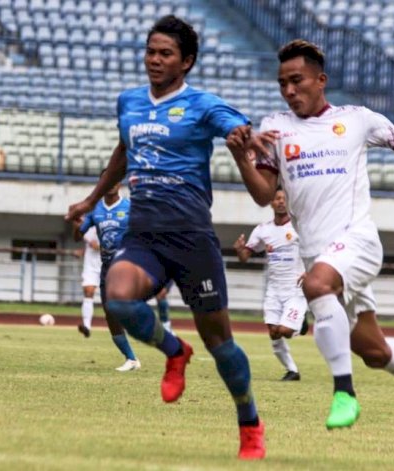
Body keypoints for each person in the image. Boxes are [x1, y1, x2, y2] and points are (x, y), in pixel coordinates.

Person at [226, 39, 394, 430]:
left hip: (357, 242)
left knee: (317, 284)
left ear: (320, 80)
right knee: (375, 352)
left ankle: (344, 392)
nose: (289, 91)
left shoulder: (358, 119)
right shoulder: (275, 128)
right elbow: (262, 194)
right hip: (319, 254)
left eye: (297, 81)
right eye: (282, 84)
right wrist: (242, 157)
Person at [66, 15, 272, 460]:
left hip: (193, 238)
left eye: (165, 54)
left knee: (222, 345)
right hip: (145, 235)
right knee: (117, 299)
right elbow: (123, 153)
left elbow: (235, 127)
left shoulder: (201, 104)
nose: (154, 60)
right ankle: (174, 350)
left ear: (187, 61)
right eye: (150, 51)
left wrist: (245, 138)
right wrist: (90, 201)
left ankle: (250, 422)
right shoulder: (129, 103)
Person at [233, 188, 308, 381]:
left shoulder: (300, 227)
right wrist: (240, 250)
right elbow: (245, 256)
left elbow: (318, 248)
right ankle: (292, 370)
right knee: (274, 333)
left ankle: (301, 322)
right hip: (274, 289)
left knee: (286, 331)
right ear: (271, 203)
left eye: (284, 198)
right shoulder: (262, 230)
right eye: (277, 199)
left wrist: (310, 271)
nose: (281, 201)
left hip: (295, 289)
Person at [73, 178, 141, 372]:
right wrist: (76, 224)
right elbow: (78, 236)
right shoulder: (95, 210)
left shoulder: (130, 206)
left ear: (119, 184)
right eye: (106, 181)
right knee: (110, 316)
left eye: (112, 180)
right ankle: (131, 359)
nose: (110, 183)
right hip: (106, 268)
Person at [77, 226, 101, 338]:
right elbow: (85, 240)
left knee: (115, 297)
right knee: (88, 292)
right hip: (90, 265)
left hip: (109, 264)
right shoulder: (89, 225)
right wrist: (82, 252)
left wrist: (101, 247)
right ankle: (87, 326)